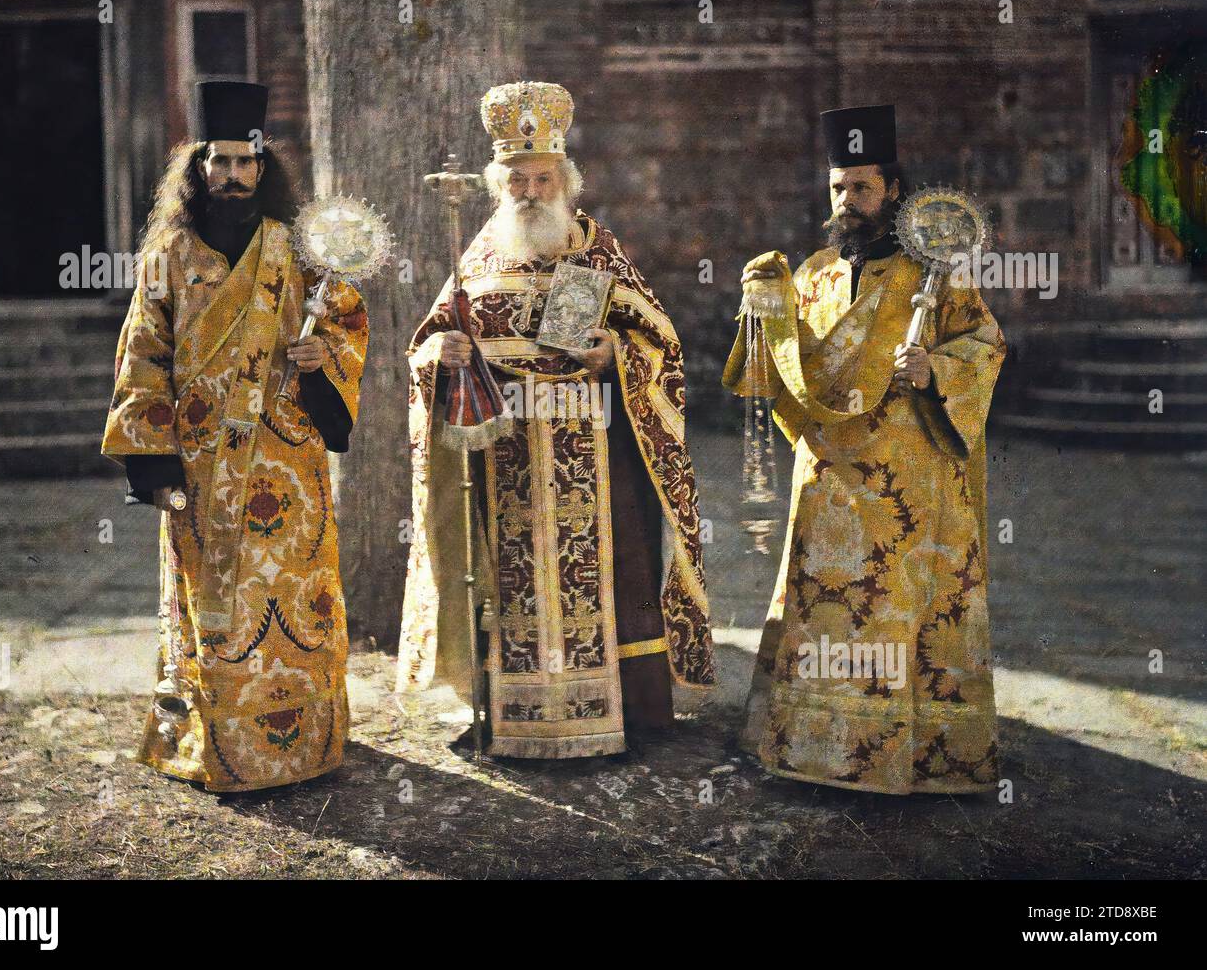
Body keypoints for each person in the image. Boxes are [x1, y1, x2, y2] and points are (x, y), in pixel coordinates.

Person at [398, 81, 714, 758]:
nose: (532, 190)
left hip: (597, 461)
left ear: (565, 179)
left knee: (614, 578)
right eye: (518, 179)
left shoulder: (599, 251)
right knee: (505, 589)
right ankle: (506, 719)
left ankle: (624, 718)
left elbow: (662, 344)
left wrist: (615, 354)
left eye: (543, 177)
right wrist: (443, 355)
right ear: (498, 184)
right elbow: (425, 345)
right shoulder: (476, 257)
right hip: (505, 461)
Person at [724, 104, 1007, 794]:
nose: (848, 202)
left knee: (893, 613)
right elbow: (775, 377)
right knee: (822, 615)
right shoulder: (815, 273)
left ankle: (896, 756)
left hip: (905, 487)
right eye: (838, 188)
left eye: (862, 188)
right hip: (826, 480)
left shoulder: (934, 273)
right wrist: (758, 309)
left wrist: (934, 370)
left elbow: (986, 345)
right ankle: (813, 749)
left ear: (893, 190)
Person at [102, 81, 368, 790]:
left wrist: (322, 362)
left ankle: (305, 747)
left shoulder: (299, 247)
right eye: (217, 163)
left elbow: (342, 323)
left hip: (287, 461)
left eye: (244, 162)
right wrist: (152, 466)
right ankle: (210, 746)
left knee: (295, 601)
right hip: (196, 468)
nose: (231, 175)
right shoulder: (169, 252)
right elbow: (142, 356)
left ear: (262, 166)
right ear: (197, 168)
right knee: (211, 607)